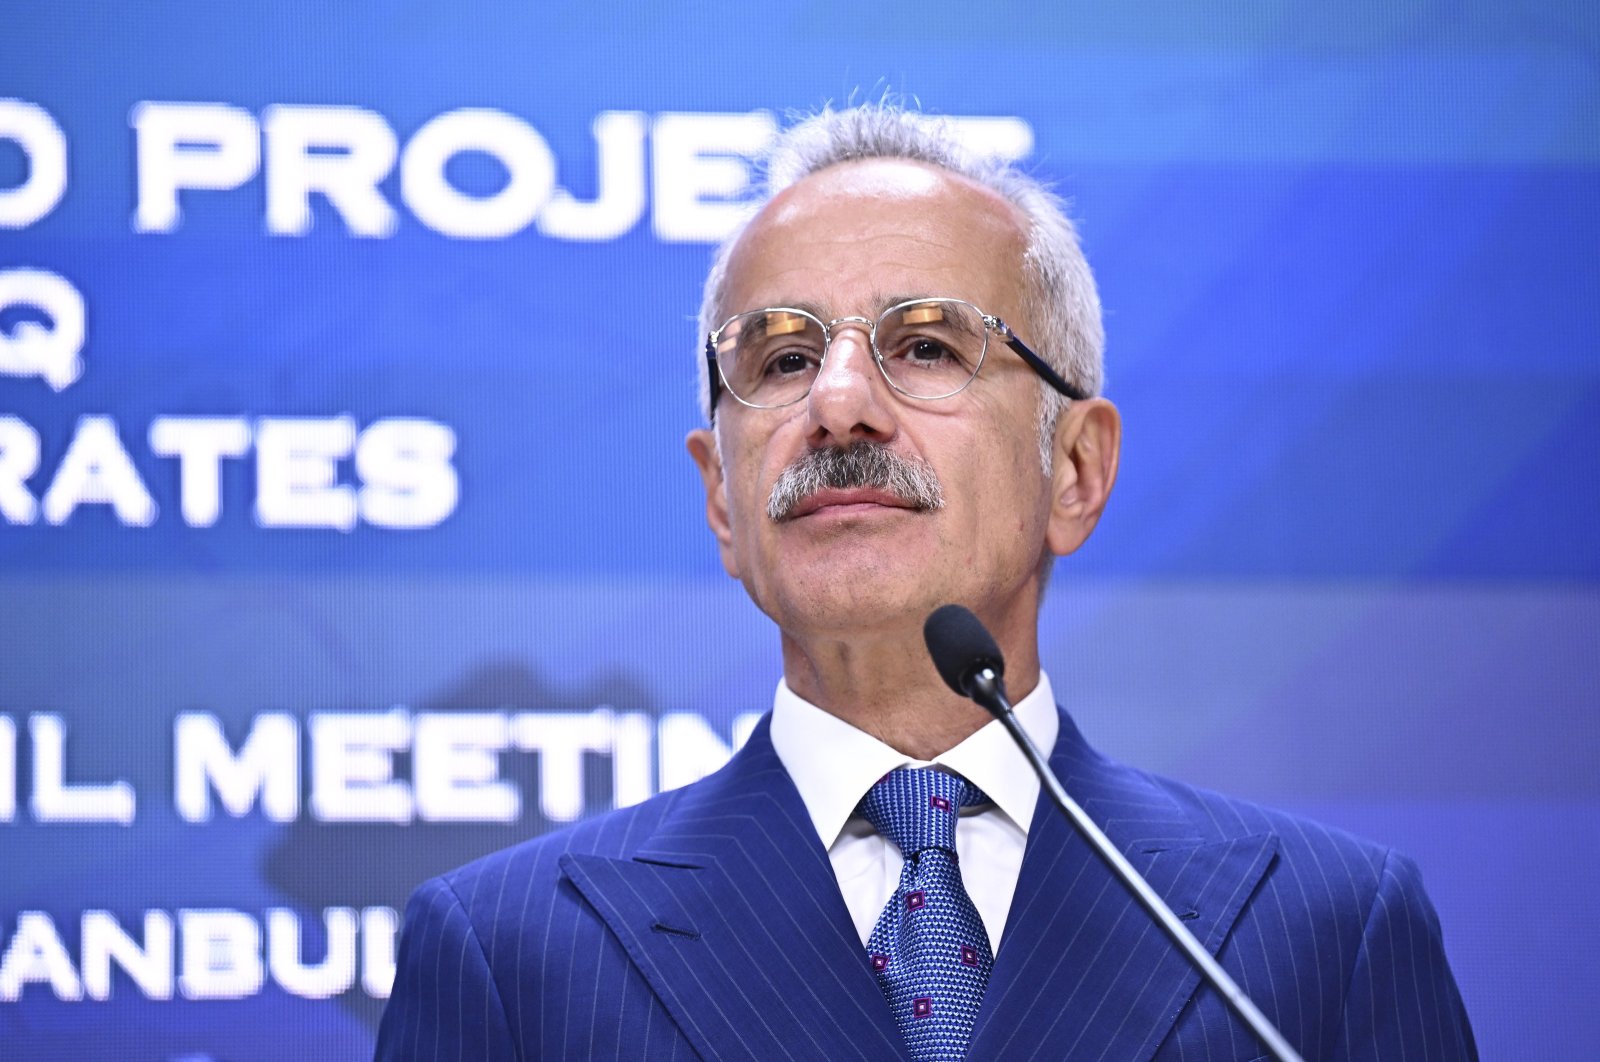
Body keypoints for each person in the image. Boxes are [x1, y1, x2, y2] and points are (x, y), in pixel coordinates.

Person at [374, 103, 1476, 1061]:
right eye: (781, 359)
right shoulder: (510, 955)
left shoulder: (1320, 932)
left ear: (1077, 469)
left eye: (927, 346)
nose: (839, 404)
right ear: (720, 497)